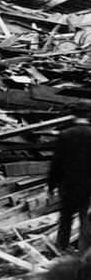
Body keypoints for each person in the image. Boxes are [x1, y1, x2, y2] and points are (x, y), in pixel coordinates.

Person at [48, 104, 91, 251]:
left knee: (66, 217)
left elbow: (56, 162)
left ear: (74, 115)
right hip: (88, 185)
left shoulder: (65, 135)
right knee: (85, 217)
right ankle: (84, 250)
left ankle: (61, 247)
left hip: (67, 184)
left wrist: (51, 184)